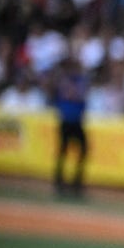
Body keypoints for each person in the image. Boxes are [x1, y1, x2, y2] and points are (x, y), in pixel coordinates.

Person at [50, 57, 89, 197]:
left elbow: (81, 98)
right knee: (63, 152)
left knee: (83, 151)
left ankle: (76, 182)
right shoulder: (66, 81)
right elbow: (70, 95)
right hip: (67, 121)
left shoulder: (80, 81)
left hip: (77, 122)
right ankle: (59, 181)